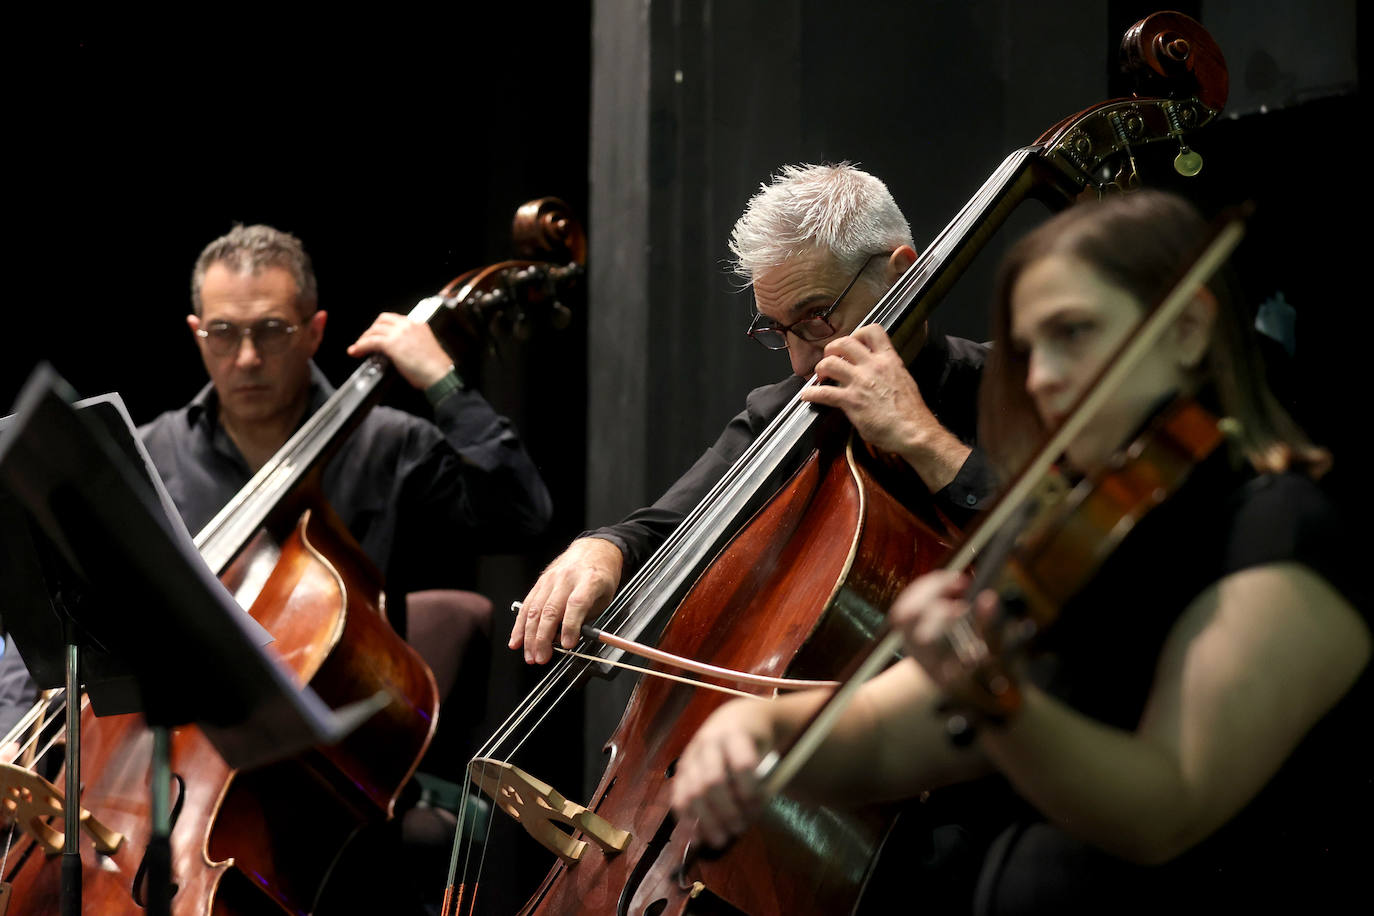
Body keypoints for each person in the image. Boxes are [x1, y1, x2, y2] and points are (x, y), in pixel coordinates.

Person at [667, 190, 1369, 912]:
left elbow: (1167, 808)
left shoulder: (1278, 530)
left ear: (1187, 329)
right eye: (1030, 349)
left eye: (1074, 333)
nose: (1039, 377)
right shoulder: (1077, 536)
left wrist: (992, 697)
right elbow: (886, 734)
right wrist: (759, 726)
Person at [511, 163, 995, 664]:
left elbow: (1042, 538)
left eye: (817, 317)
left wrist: (921, 438)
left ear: (901, 272)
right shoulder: (784, 410)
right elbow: (661, 529)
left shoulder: (1010, 387)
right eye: (779, 329)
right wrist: (601, 550)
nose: (801, 362)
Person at [141, 223, 553, 635]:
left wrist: (442, 380)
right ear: (197, 334)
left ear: (314, 332)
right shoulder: (150, 454)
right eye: (223, 332)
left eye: (271, 331)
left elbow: (522, 517)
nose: (247, 357)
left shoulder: (391, 444)